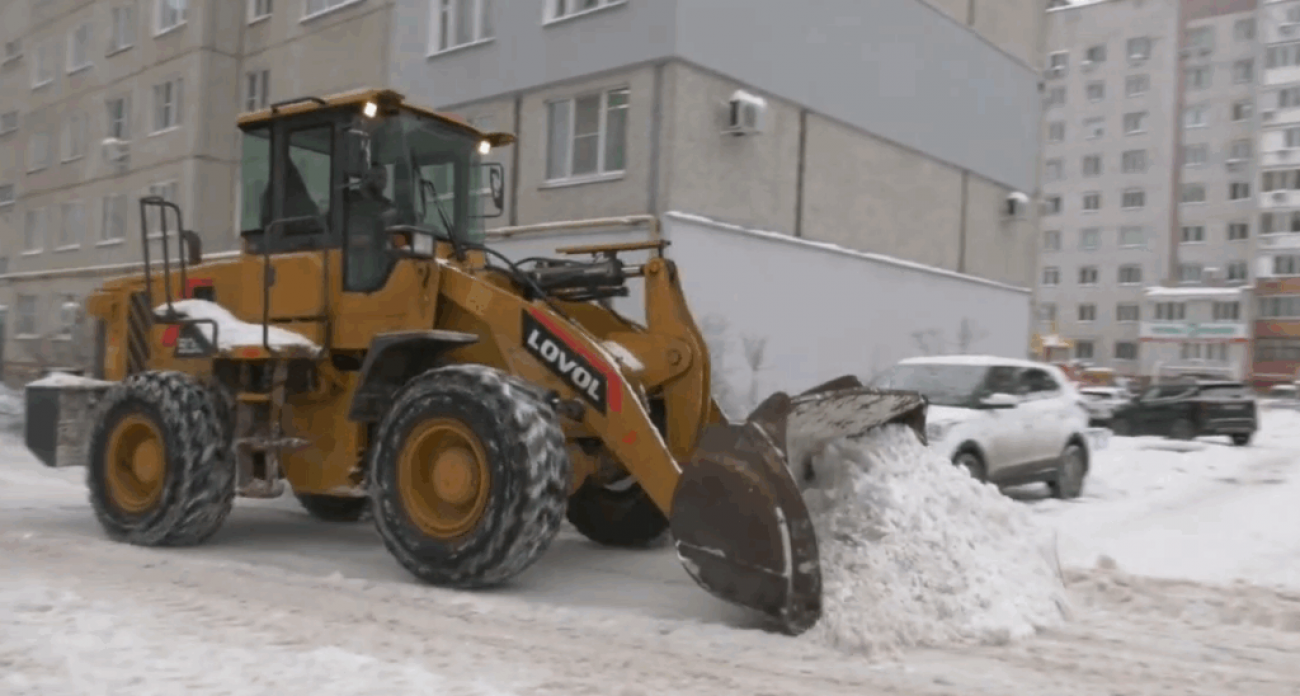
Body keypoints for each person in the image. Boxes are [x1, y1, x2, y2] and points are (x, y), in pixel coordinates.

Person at [345, 164, 398, 291]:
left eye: (385, 179)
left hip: (379, 265)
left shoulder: (387, 206)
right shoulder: (348, 200)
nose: (383, 183)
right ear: (366, 178)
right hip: (348, 262)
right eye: (378, 177)